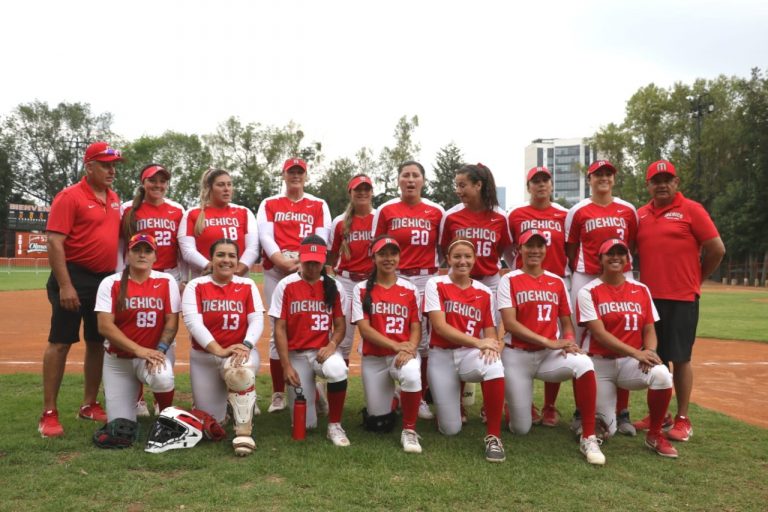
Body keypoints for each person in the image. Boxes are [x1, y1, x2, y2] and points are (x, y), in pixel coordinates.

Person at [633, 160, 725, 440]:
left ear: (677, 182)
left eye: (667, 179)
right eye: (656, 180)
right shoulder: (641, 215)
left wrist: (696, 278)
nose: (662, 185)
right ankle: (659, 416)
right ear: (648, 185)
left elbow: (716, 249)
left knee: (681, 358)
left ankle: (683, 418)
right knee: (655, 358)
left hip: (682, 297)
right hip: (650, 299)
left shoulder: (692, 210)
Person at [497, 229, 604, 465]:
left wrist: (568, 341)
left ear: (546, 250)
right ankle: (513, 407)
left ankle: (589, 434)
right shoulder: (509, 279)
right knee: (521, 429)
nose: (535, 250)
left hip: (549, 356)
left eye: (540, 246)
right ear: (519, 250)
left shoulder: (556, 281)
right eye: (529, 246)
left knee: (584, 363)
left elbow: (567, 322)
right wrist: (549, 341)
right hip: (517, 355)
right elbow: (510, 324)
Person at [39, 141, 123, 438]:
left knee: (97, 342)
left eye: (114, 165)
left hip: (103, 280)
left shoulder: (113, 198)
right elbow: (54, 242)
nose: (111, 170)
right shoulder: (69, 196)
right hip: (73, 276)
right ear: (89, 167)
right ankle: (49, 412)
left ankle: (88, 404)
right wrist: (65, 285)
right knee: (61, 342)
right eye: (105, 165)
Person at [577, 238, 678, 458]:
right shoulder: (588, 290)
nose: (615, 257)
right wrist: (637, 352)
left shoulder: (641, 289)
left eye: (620, 253)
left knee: (662, 374)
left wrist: (649, 352)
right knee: (608, 430)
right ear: (600, 259)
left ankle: (654, 434)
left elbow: (649, 328)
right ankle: (592, 422)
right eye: (609, 253)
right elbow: (599, 333)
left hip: (630, 363)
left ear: (627, 259)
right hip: (599, 364)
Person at [565, 160, 638, 435]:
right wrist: (583, 272)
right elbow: (571, 247)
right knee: (581, 342)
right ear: (590, 179)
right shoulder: (578, 210)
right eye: (598, 175)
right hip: (586, 274)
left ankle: (622, 412)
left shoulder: (627, 209)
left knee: (625, 335)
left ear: (614, 179)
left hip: (622, 274)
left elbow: (631, 243)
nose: (603, 179)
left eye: (608, 174)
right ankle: (581, 410)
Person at [258, 158, 332, 414]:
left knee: (312, 324)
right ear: (284, 175)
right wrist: (281, 260)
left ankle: (317, 383)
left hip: (309, 266)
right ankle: (278, 393)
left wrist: (302, 262)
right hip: (276, 270)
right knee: (276, 328)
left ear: (306, 175)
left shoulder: (318, 204)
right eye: (291, 172)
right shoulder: (269, 203)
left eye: (300, 172)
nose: (296, 176)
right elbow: (265, 235)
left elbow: (322, 236)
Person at [373, 160, 444, 420]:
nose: (411, 180)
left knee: (423, 339)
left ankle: (419, 394)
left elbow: (444, 246)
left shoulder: (436, 211)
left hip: (426, 277)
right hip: (396, 275)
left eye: (415, 175)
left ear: (423, 180)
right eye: (406, 175)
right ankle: (393, 391)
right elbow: (377, 244)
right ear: (398, 180)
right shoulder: (386, 209)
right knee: (391, 329)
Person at [424, 238, 507, 463]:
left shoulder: (483, 291)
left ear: (474, 260)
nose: (462, 261)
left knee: (494, 364)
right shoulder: (436, 284)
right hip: (441, 354)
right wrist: (480, 343)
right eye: (457, 256)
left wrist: (491, 344)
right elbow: (440, 327)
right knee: (450, 429)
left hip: (469, 354)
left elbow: (490, 328)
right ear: (448, 259)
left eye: (467, 256)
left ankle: (493, 437)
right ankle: (449, 403)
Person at [182, 238, 265, 456]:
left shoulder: (246, 284)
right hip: (205, 358)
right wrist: (218, 349)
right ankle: (228, 406)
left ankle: (244, 432)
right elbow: (193, 322)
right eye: (220, 255)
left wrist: (245, 345)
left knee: (240, 371)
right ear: (211, 259)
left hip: (239, 352)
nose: (226, 260)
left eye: (231, 256)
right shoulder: (196, 286)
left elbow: (257, 319)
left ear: (238, 261)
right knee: (213, 425)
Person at [270, 235, 350, 446]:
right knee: (306, 425)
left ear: (324, 260)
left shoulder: (334, 286)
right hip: (296, 354)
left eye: (316, 261)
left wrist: (332, 345)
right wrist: (285, 366)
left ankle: (335, 424)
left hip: (322, 352)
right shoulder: (286, 285)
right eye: (308, 261)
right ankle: (316, 392)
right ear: (300, 258)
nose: (312, 266)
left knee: (337, 370)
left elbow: (340, 326)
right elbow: (279, 328)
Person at [120, 163, 185, 416]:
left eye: (162, 181)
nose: (158, 185)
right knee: (134, 329)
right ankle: (137, 398)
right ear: (143, 182)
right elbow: (120, 245)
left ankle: (162, 394)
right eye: (152, 181)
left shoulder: (177, 209)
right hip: (134, 276)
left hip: (168, 275)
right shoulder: (128, 209)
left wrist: (182, 277)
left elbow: (181, 246)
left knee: (167, 334)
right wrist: (120, 276)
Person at [508, 166, 569, 427]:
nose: (541, 185)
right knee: (522, 339)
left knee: (552, 340)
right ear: (528, 186)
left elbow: (571, 247)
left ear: (552, 185)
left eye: (545, 180)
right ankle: (523, 402)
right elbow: (509, 246)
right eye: (536, 181)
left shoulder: (565, 215)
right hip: (524, 283)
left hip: (555, 281)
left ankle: (550, 405)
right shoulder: (517, 215)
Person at [95, 234, 179, 422]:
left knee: (163, 377)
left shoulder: (166, 281)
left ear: (155, 256)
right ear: (128, 254)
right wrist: (139, 350)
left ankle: (166, 418)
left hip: (154, 354)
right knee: (120, 424)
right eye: (137, 250)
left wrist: (159, 351)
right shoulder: (111, 282)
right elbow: (104, 326)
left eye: (148, 251)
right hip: (119, 360)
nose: (142, 255)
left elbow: (172, 322)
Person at [352, 236, 423, 453]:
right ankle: (397, 398)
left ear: (400, 257)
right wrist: (396, 346)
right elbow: (365, 329)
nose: (388, 258)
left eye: (393, 254)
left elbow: (416, 327)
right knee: (377, 423)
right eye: (383, 254)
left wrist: (410, 348)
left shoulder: (410, 289)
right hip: (375, 358)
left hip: (401, 355)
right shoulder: (362, 289)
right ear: (373, 257)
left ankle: (409, 430)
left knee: (411, 373)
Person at [178, 168, 259, 279]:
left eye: (229, 184)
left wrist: (237, 271)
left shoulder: (244, 212)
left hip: (238, 278)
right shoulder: (192, 214)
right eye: (220, 185)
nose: (226, 189)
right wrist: (212, 268)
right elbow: (187, 250)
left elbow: (253, 248)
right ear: (209, 188)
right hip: (204, 277)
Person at [328, 174, 375, 364]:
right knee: (344, 340)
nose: (362, 192)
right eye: (358, 189)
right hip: (346, 282)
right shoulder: (340, 221)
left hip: (372, 282)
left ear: (372, 192)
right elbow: (331, 255)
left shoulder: (380, 217)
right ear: (351, 193)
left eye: (366, 189)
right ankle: (337, 379)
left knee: (373, 337)